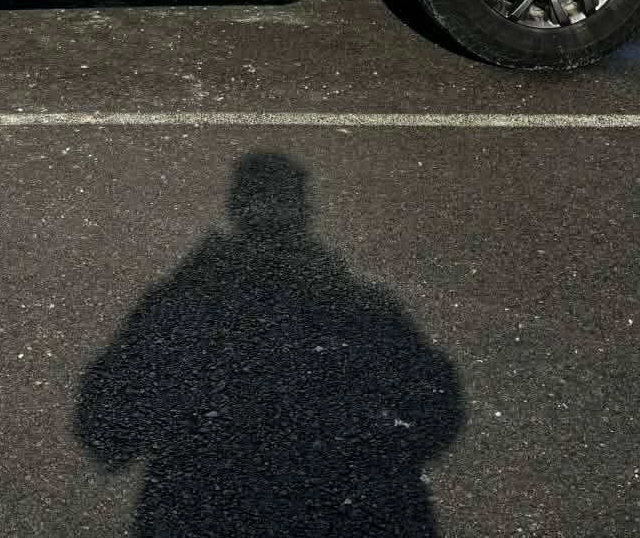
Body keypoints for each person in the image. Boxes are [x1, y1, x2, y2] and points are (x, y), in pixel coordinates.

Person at [76, 152, 463, 536]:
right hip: (348, 514)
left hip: (204, 514)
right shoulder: (360, 308)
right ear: (303, 212)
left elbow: (103, 422)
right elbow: (436, 407)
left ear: (236, 212)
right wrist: (373, 459)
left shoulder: (180, 310)